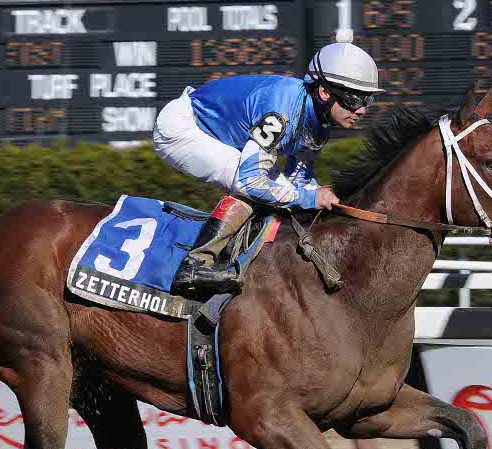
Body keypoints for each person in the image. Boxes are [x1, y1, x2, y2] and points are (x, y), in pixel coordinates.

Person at [153, 41, 384, 297]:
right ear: (324, 92)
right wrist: (310, 197)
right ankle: (194, 265)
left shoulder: (320, 124)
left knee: (283, 193)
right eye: (354, 98)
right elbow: (250, 182)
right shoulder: (281, 113)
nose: (362, 110)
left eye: (368, 99)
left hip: (217, 135)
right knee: (252, 185)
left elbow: (299, 181)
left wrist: (322, 196)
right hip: (182, 128)